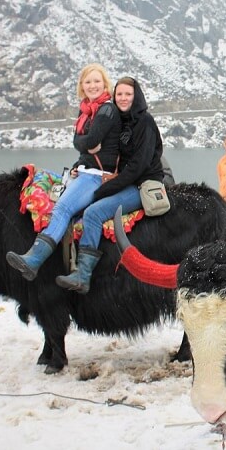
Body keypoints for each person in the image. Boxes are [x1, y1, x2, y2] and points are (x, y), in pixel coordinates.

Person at [6, 63, 121, 281]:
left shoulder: (106, 109)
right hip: (86, 170)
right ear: (81, 86)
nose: (93, 85)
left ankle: (35, 259)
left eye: (97, 81)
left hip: (96, 175)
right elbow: (81, 142)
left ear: (105, 83)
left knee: (62, 209)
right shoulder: (86, 110)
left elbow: (93, 140)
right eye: (88, 82)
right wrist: (81, 155)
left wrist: (83, 143)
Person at [55, 76, 167, 294]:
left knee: (94, 213)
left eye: (128, 94)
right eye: (119, 94)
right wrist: (80, 164)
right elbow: (100, 153)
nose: (123, 98)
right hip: (123, 181)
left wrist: (107, 189)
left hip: (140, 184)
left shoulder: (145, 123)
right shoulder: (120, 122)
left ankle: (83, 275)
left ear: (137, 97)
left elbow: (138, 165)